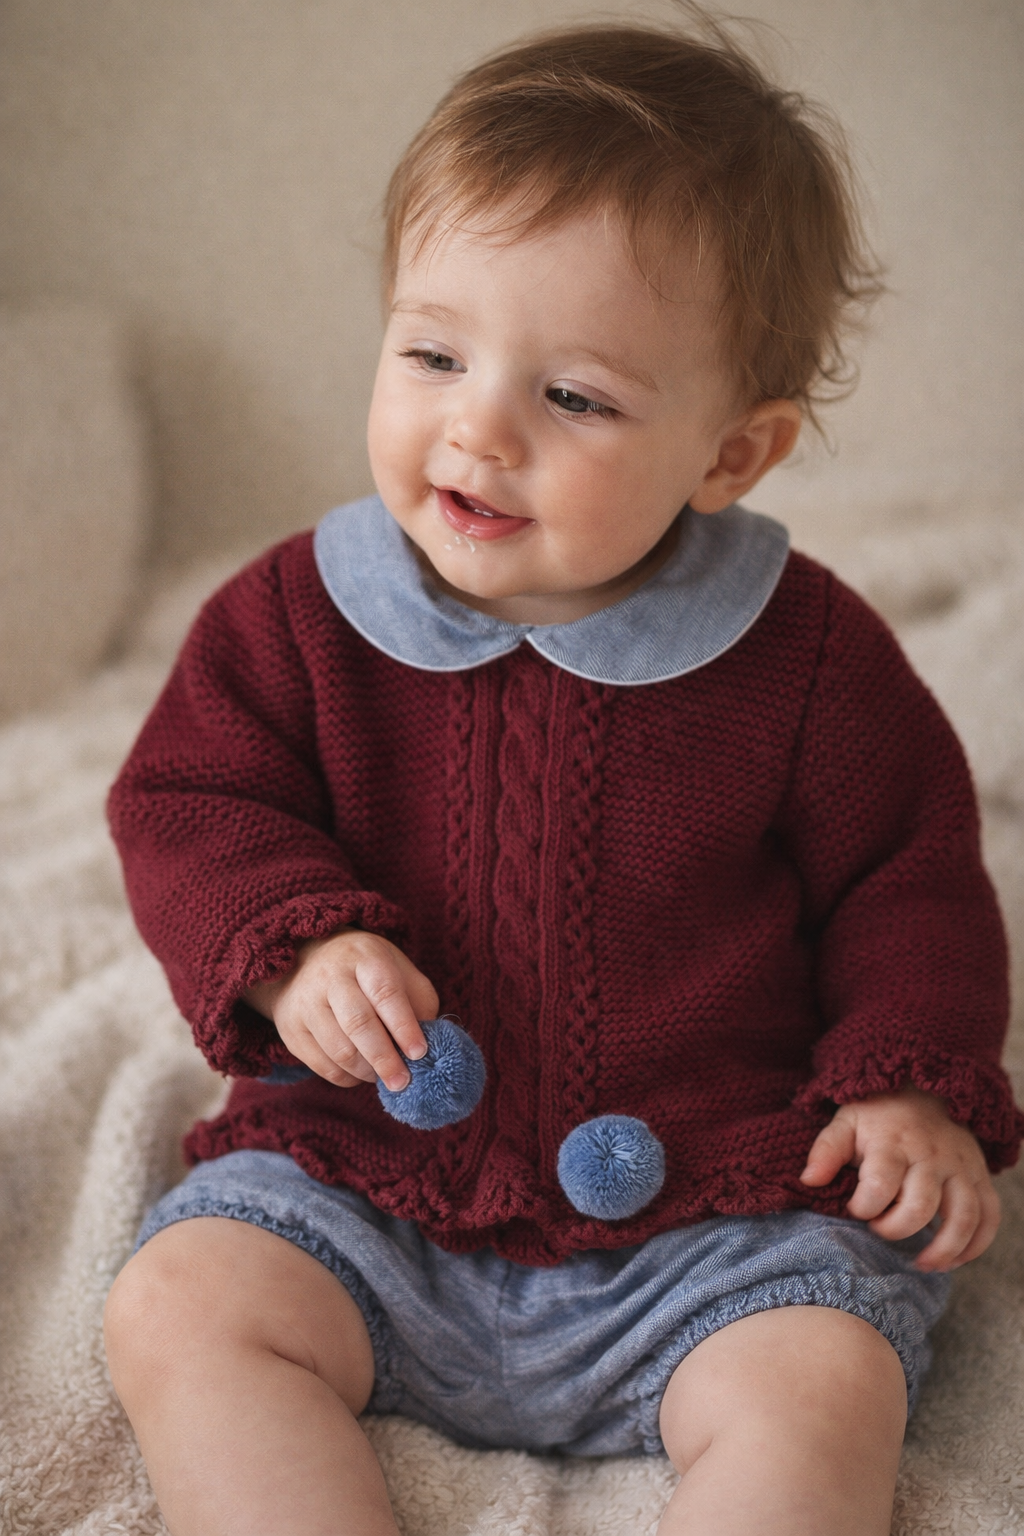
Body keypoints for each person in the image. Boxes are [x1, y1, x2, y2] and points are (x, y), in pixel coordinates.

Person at [102, 17, 1020, 1536]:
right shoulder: (293, 617)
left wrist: (911, 1082)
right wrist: (292, 947)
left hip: (712, 1223)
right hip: (364, 1187)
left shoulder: (807, 659)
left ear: (733, 453)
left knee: (825, 1383)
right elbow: (189, 803)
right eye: (433, 352)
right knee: (182, 1302)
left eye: (575, 398)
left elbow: (907, 877)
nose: (477, 425)